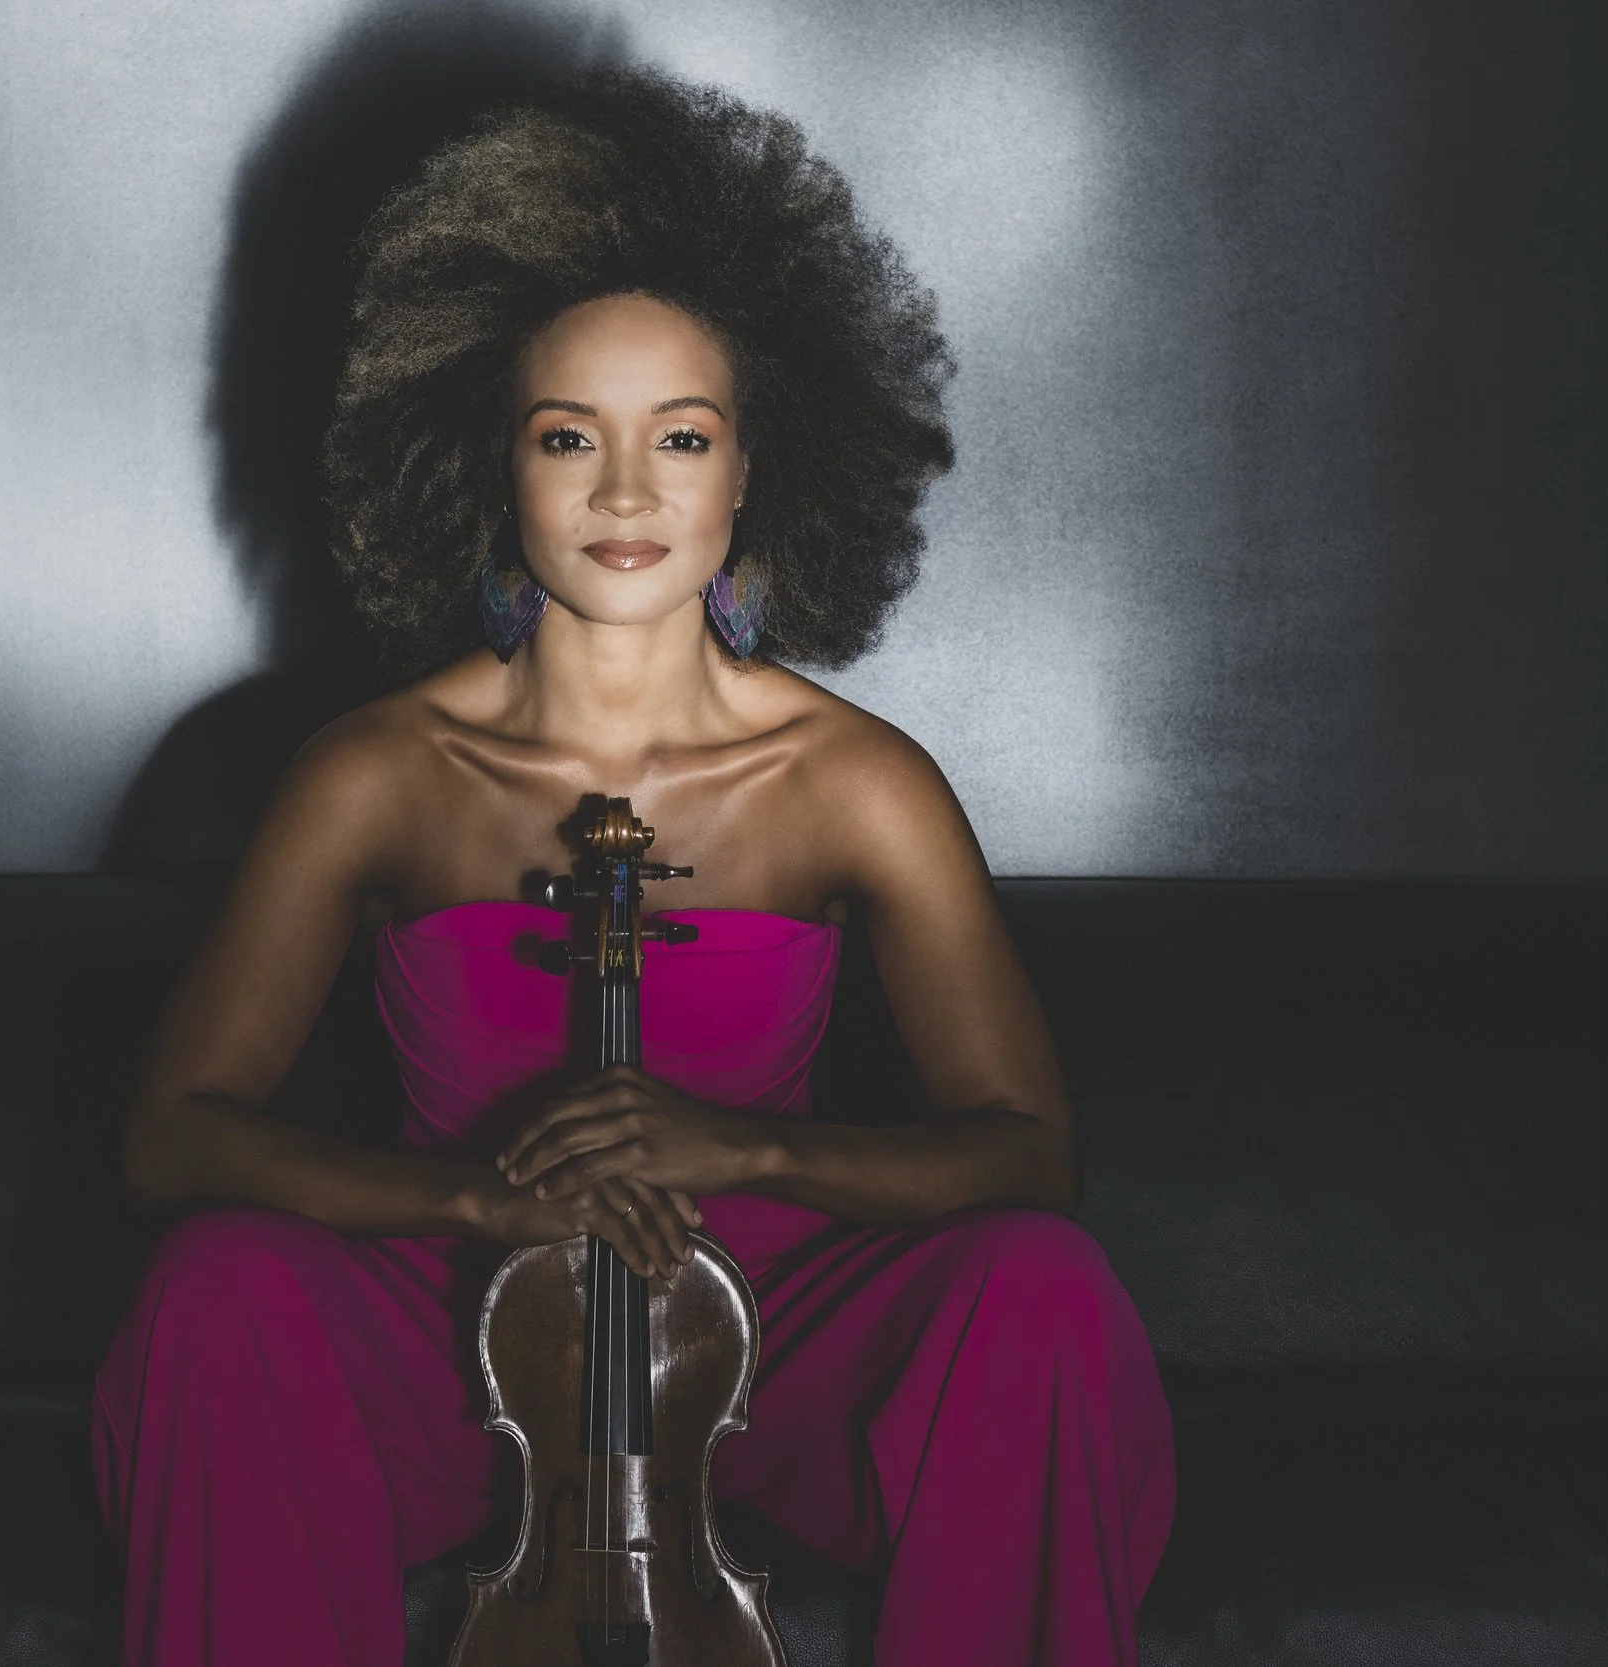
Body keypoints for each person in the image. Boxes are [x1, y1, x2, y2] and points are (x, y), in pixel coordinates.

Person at [95, 68, 1174, 1667]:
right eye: (566, 437)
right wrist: (469, 1193)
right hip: (456, 1330)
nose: (624, 493)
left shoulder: (857, 784)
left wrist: (745, 1147)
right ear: (496, 465)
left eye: (680, 436)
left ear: (748, 471)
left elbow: (1031, 1151)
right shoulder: (376, 773)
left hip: (773, 1343)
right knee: (216, 1282)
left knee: (1044, 1284)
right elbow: (172, 1135)